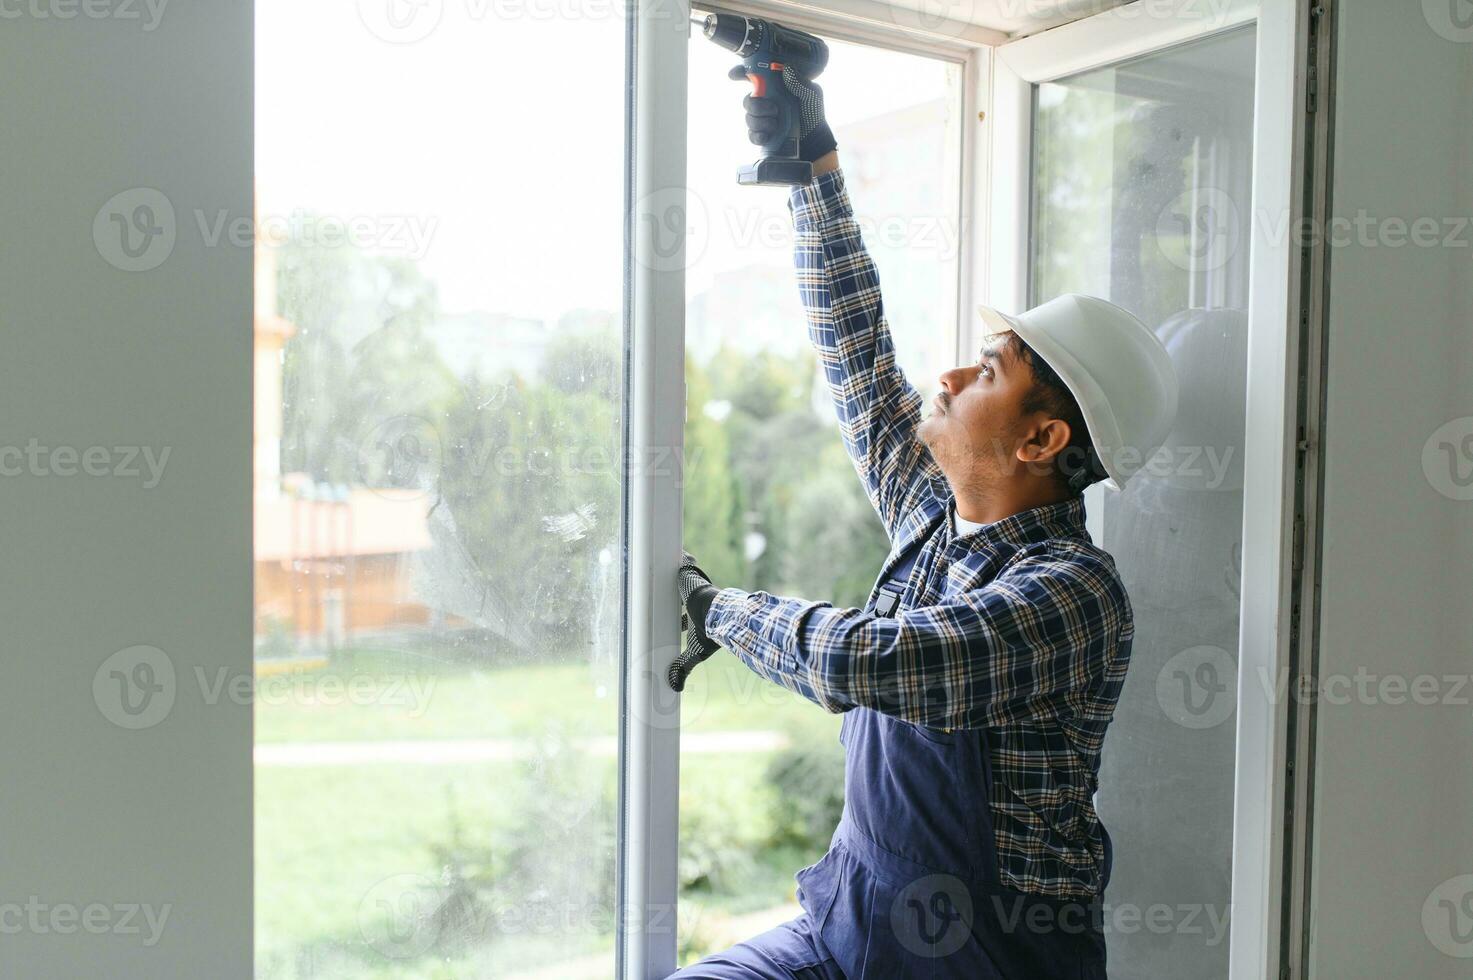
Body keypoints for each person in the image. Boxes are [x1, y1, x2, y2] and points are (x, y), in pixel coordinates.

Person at [670, 59, 1179, 980]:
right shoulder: (935, 519)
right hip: (851, 930)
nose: (946, 378)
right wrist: (812, 164)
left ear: (1042, 438)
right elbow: (858, 357)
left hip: (986, 962)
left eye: (988, 370)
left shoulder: (1071, 594)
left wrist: (713, 610)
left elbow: (869, 662)